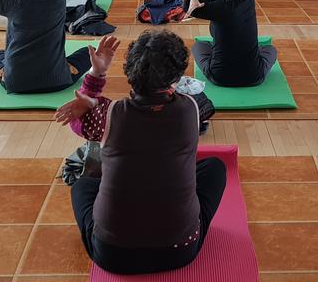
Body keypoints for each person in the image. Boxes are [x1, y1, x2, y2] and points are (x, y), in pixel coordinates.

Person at [55, 32, 227, 275]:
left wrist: (96, 75)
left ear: (130, 73)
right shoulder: (191, 108)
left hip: (112, 254)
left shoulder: (110, 113)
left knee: (82, 186)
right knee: (215, 168)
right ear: (177, 77)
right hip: (180, 251)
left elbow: (77, 122)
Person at [186, 0, 277, 86]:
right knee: (270, 49)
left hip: (220, 77)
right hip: (254, 76)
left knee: (198, 46)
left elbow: (187, 7)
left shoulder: (218, 7)